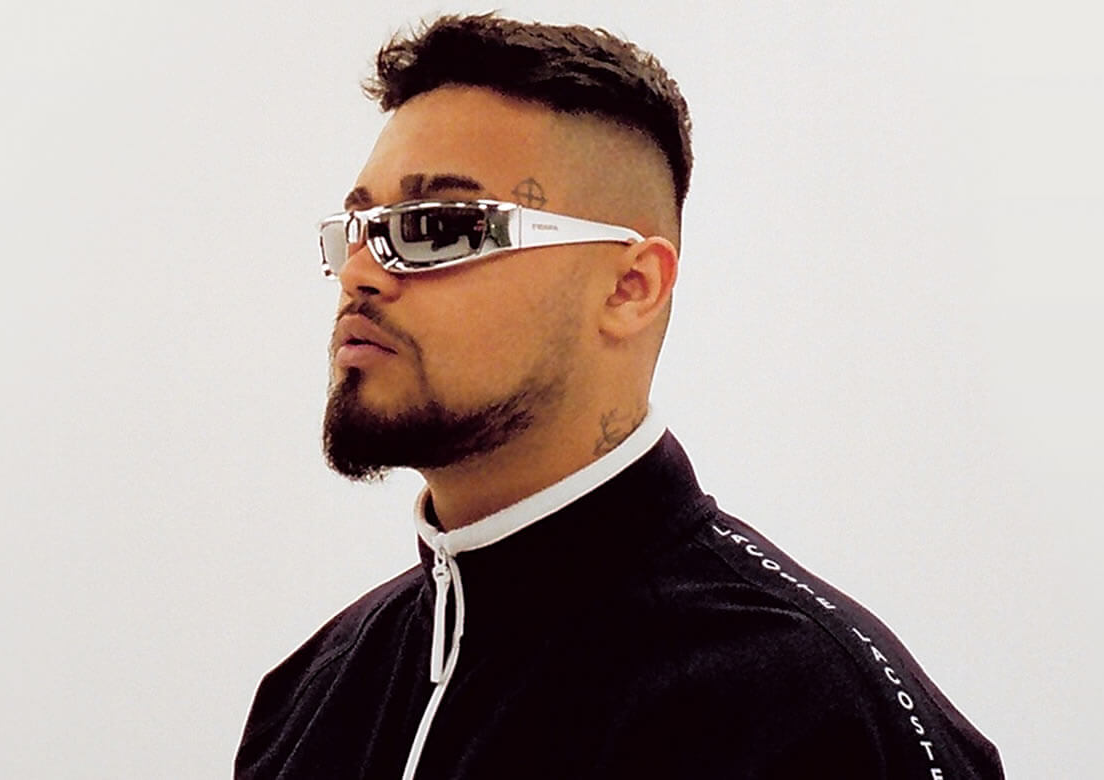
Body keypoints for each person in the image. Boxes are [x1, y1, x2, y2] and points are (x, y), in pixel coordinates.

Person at [235, 13, 1004, 780]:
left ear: (631, 287)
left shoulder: (815, 717)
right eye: (357, 230)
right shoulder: (306, 699)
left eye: (435, 227)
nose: (361, 273)